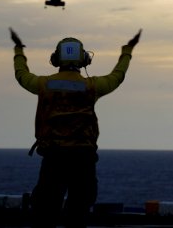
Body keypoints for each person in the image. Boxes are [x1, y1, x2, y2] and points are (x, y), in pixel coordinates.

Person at [9, 27, 142, 228]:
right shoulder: (92, 86)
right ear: (84, 60)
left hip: (53, 158)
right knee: (78, 212)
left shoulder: (44, 84)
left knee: (45, 212)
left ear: (55, 60)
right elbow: (118, 76)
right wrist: (127, 51)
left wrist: (19, 50)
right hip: (83, 159)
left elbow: (21, 75)